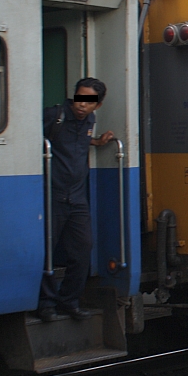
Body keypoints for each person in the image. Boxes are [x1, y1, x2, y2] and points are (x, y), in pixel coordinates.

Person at [39, 78, 114, 322]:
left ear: (97, 105)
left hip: (77, 197)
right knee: (47, 250)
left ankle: (69, 301)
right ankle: (46, 304)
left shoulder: (90, 121)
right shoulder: (55, 116)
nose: (82, 104)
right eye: (80, 98)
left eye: (89, 101)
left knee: (83, 248)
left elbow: (77, 141)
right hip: (52, 194)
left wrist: (97, 141)